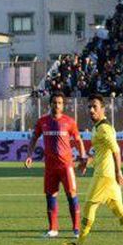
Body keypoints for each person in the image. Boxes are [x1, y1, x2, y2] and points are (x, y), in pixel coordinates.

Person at [63, 96, 123, 245]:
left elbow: (116, 150)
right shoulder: (98, 128)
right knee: (119, 210)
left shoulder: (104, 128)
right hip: (108, 175)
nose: (91, 110)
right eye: (89, 107)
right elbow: (101, 154)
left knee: (89, 207)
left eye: (95, 107)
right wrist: (86, 162)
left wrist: (119, 172)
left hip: (104, 176)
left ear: (103, 109)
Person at [25, 93, 87, 237]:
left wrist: (83, 156)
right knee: (50, 195)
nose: (57, 105)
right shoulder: (42, 121)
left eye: (59, 103)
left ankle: (76, 229)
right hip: (50, 167)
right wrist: (29, 155)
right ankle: (53, 229)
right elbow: (34, 138)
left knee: (71, 195)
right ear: (50, 104)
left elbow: (78, 140)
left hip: (66, 166)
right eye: (54, 102)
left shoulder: (69, 122)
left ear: (63, 105)